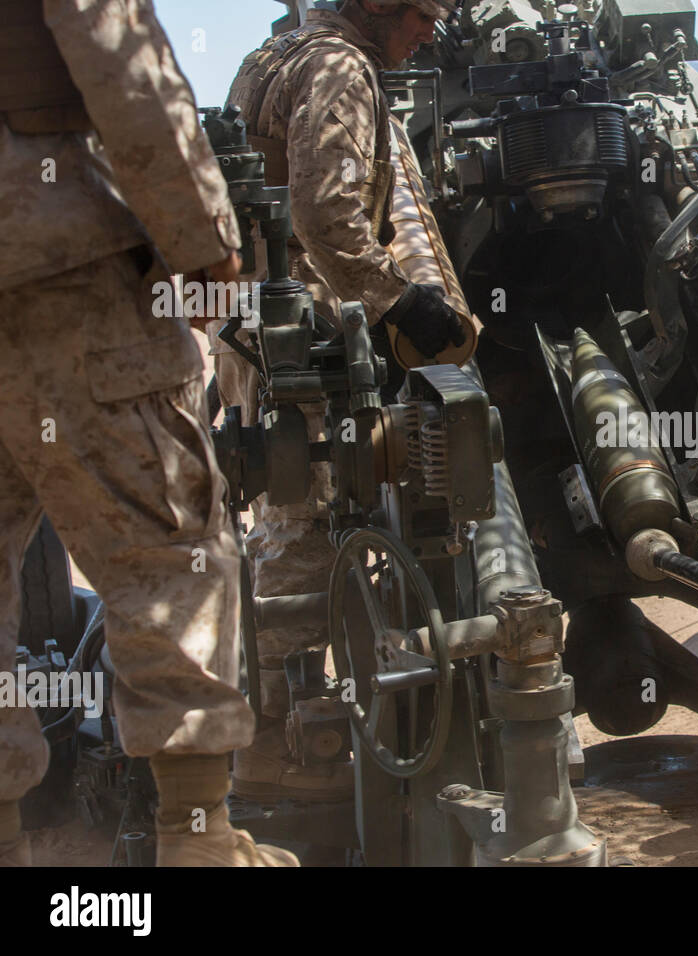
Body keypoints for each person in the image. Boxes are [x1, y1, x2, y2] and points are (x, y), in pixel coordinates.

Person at [0, 0, 296, 865]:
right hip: (52, 258)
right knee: (169, 542)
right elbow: (116, 46)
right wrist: (202, 240)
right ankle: (198, 839)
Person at [217, 0, 471, 801]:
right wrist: (402, 302)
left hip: (254, 331)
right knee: (300, 537)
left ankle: (279, 737)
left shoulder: (276, 56)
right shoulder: (340, 68)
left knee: (280, 526)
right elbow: (325, 215)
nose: (429, 31)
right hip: (303, 345)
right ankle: (283, 764)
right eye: (421, 14)